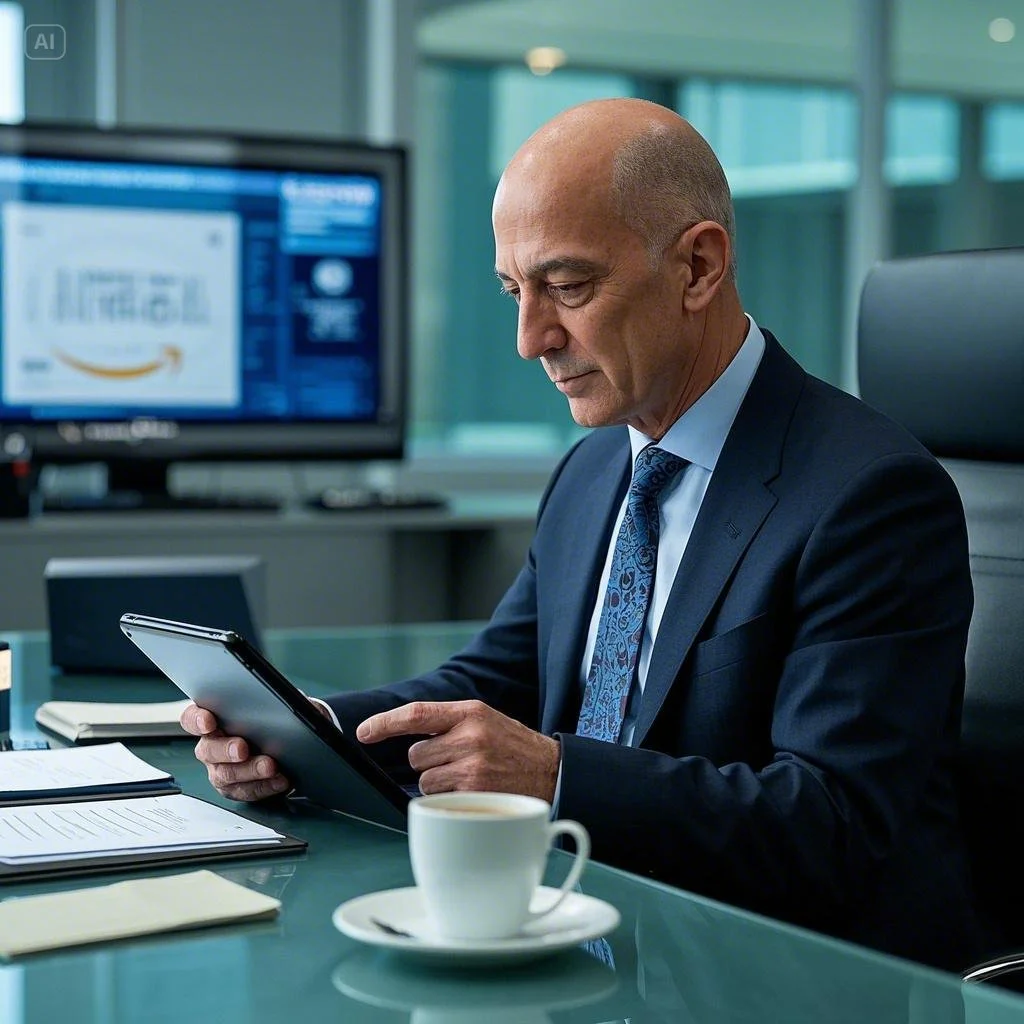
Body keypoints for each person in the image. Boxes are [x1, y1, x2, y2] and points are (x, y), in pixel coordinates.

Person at [183, 98, 982, 969]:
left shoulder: (870, 493)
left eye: (567, 287)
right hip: (588, 928)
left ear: (699, 266)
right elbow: (495, 680)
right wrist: (313, 734)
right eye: (513, 292)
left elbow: (836, 820)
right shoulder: (596, 469)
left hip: (788, 970)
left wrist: (557, 775)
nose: (532, 339)